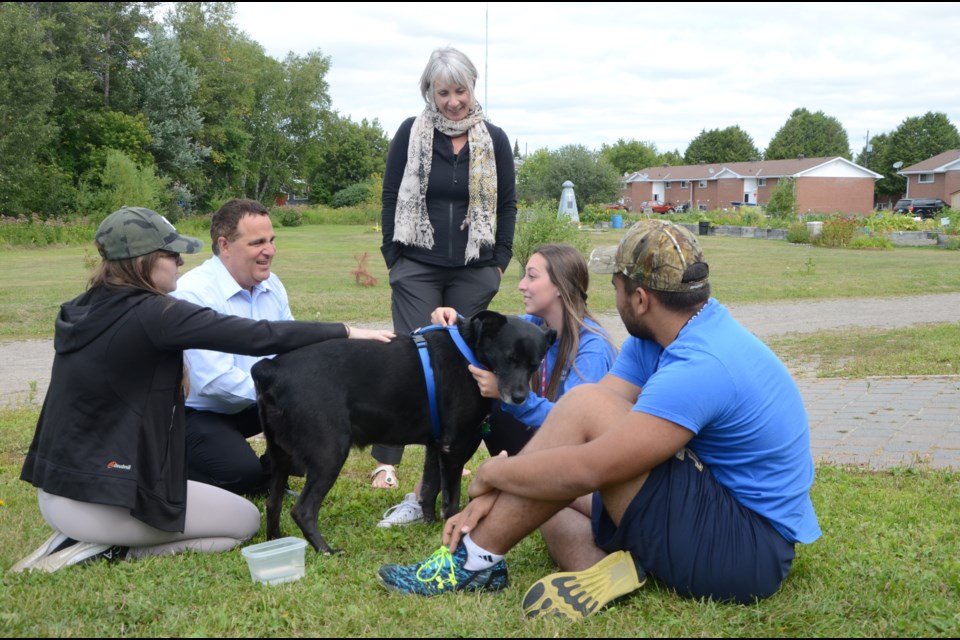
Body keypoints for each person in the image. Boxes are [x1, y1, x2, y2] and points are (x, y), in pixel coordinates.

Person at [376, 219, 822, 620]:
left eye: (616, 286)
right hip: (709, 505)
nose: (612, 296)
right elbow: (569, 433)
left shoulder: (701, 364)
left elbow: (593, 462)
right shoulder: (660, 339)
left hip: (746, 550)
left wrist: (495, 472)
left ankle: (474, 560)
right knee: (545, 501)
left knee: (573, 435)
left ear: (641, 298)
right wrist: (500, 492)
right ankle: (616, 568)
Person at [11, 206, 393, 574]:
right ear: (143, 260)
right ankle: (109, 548)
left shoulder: (86, 306)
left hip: (60, 488)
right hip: (100, 498)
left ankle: (89, 535)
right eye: (172, 254)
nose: (180, 262)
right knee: (241, 523)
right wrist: (344, 331)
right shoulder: (154, 314)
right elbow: (258, 336)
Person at [377, 244, 617, 527]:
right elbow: (495, 334)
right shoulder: (534, 327)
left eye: (531, 276)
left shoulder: (592, 348)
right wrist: (455, 319)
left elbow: (577, 426)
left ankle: (519, 494)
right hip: (537, 445)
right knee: (474, 403)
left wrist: (506, 397)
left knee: (491, 405)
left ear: (559, 287)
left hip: (572, 461)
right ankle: (421, 499)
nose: (521, 285)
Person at [371, 45, 517, 490]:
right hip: (415, 265)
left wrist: (499, 264)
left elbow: (507, 204)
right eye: (443, 92)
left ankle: (451, 454)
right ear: (429, 91)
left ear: (472, 88)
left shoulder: (494, 138)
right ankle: (386, 462)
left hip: (474, 269)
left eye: (460, 90)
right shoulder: (409, 133)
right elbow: (392, 197)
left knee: (461, 366)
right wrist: (394, 259)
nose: (452, 101)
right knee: (409, 360)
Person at [169, 198, 301, 496]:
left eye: (271, 240)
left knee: (311, 424)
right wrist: (286, 394)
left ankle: (270, 476)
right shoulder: (193, 292)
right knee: (239, 473)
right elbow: (213, 383)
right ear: (225, 245)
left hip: (249, 402)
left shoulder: (272, 284)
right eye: (257, 242)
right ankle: (170, 463)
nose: (269, 250)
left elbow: (290, 348)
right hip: (195, 411)